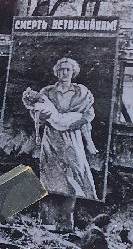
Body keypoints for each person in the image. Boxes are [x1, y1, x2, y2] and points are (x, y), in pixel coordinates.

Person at [22, 57, 99, 199]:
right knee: (51, 168)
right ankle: (53, 198)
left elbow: (89, 113)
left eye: (68, 69)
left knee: (78, 167)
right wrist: (42, 116)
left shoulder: (81, 92)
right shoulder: (47, 92)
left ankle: (85, 199)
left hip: (72, 136)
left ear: (73, 72)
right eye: (61, 70)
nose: (64, 72)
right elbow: (37, 114)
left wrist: (75, 123)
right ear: (57, 72)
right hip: (52, 136)